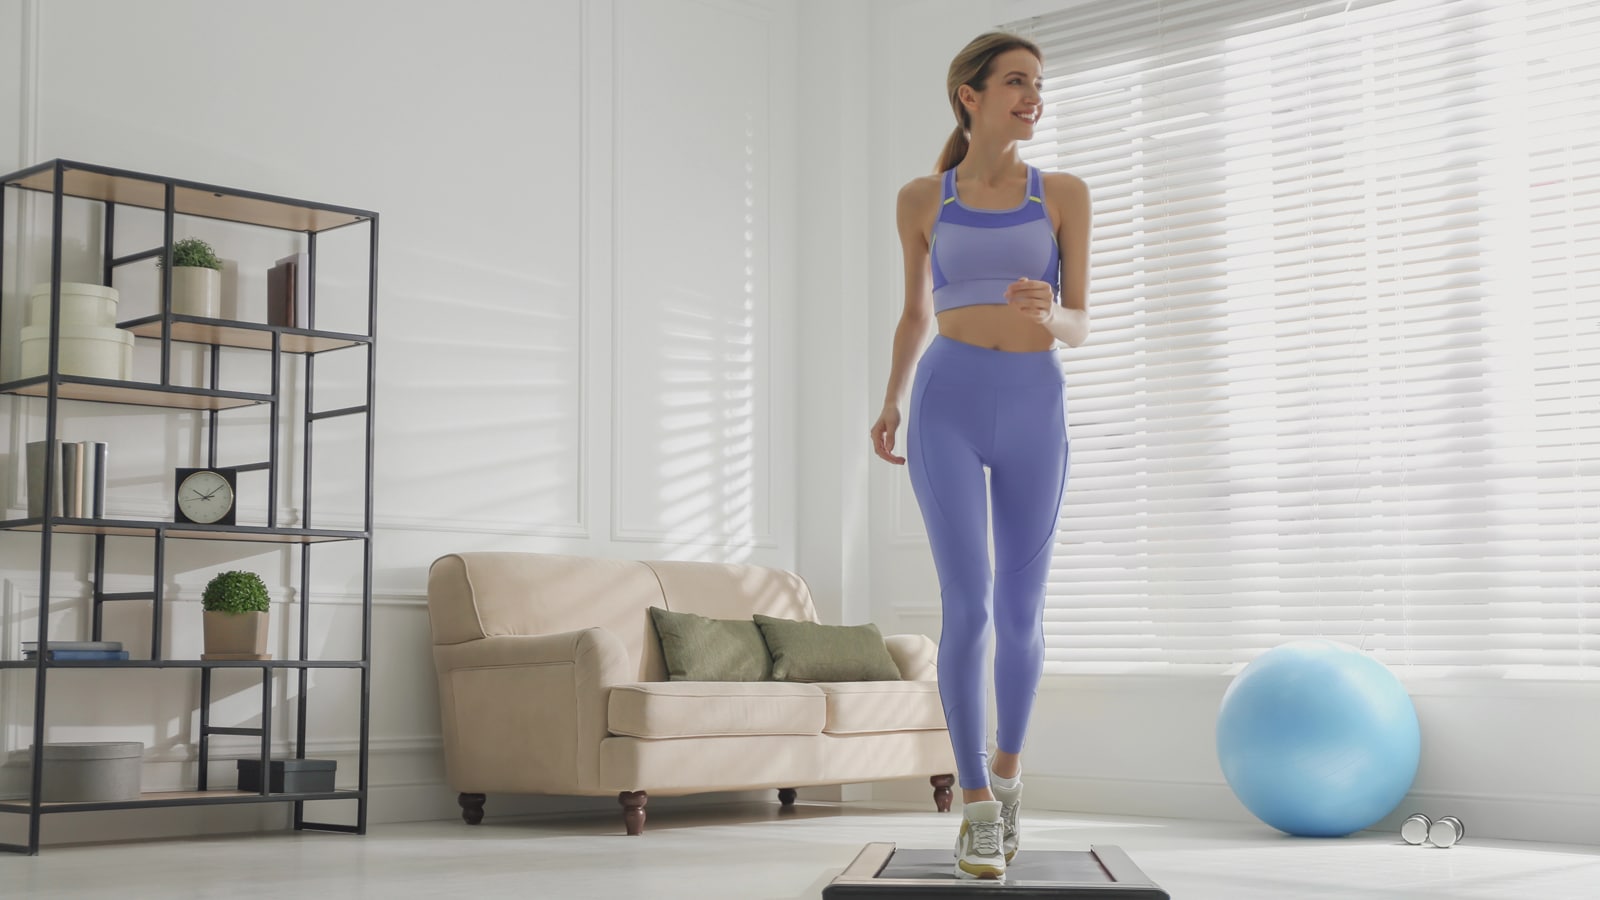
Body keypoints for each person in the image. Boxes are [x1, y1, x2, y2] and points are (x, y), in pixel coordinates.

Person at [869, 31, 1090, 881]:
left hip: (1035, 401)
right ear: (970, 94)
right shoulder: (922, 199)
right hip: (946, 403)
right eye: (1017, 83)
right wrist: (890, 398)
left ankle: (1008, 773)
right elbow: (914, 315)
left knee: (1022, 612)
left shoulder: (1063, 193)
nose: (1034, 97)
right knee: (967, 604)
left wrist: (1051, 312)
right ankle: (973, 809)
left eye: (1038, 84)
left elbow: (1082, 322)